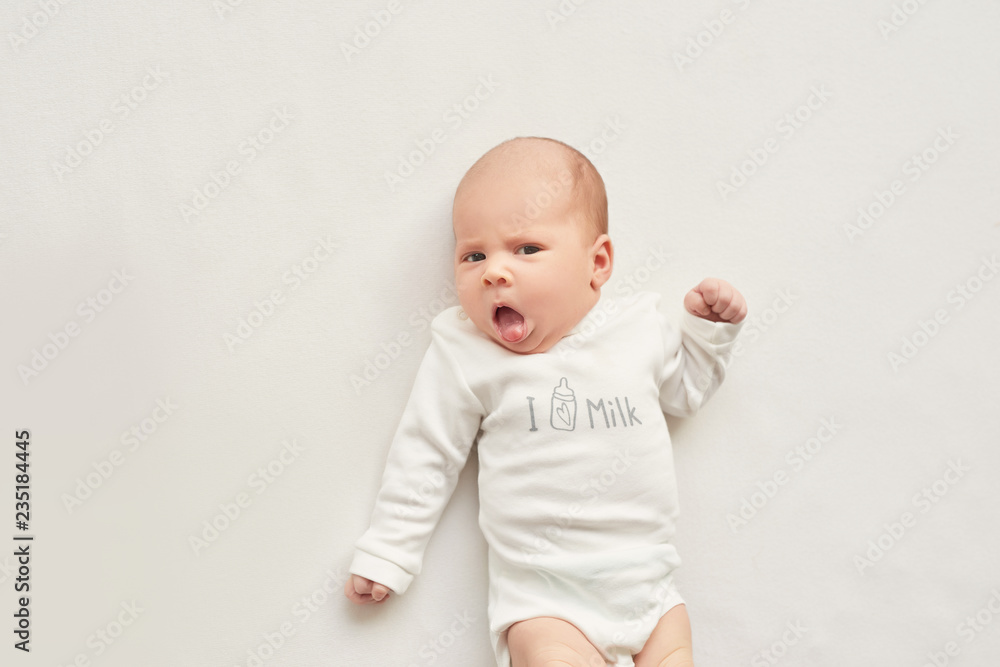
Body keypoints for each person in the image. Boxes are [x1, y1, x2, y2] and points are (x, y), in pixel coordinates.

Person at [345, 136, 747, 667]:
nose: (494, 271)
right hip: (544, 598)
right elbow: (426, 451)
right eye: (473, 255)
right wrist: (388, 550)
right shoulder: (466, 351)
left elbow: (686, 393)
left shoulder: (638, 328)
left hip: (649, 586)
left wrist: (709, 333)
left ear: (597, 262)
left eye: (527, 249)